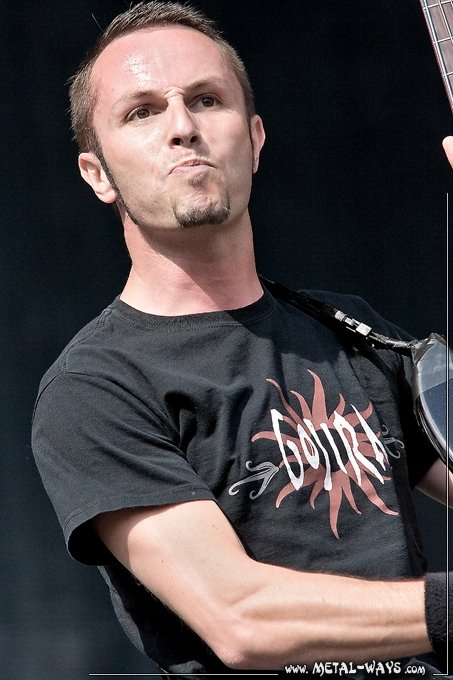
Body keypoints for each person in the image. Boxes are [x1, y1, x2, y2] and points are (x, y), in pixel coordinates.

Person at [31, 2, 453, 677]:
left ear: (254, 139)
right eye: (142, 112)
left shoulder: (353, 332)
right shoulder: (96, 387)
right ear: (97, 173)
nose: (182, 127)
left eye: (206, 99)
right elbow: (241, 618)